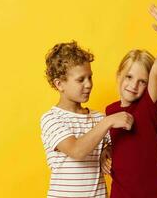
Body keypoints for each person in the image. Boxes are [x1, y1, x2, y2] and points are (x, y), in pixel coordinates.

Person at [40, 41, 134, 198]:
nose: (89, 84)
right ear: (59, 84)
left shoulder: (98, 118)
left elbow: (116, 148)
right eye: (80, 79)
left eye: (90, 77)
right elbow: (77, 151)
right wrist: (108, 122)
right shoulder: (51, 119)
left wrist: (107, 151)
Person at [105, 3, 157, 198]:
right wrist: (106, 153)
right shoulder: (110, 111)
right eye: (129, 77)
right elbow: (118, 147)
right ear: (119, 74)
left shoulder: (146, 107)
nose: (133, 85)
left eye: (142, 82)